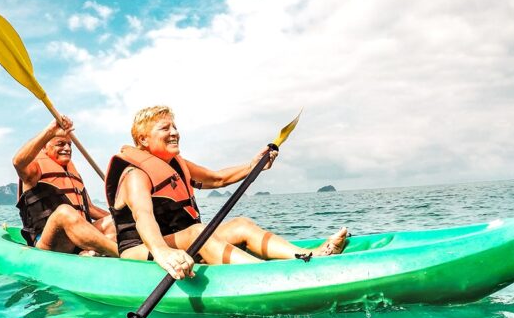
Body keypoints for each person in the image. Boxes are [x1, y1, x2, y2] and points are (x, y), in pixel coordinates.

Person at [105, 105, 348, 280]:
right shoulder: (134, 174)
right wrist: (162, 252)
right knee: (197, 233)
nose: (174, 132)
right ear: (143, 139)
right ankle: (269, 276)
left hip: (181, 240)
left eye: (175, 126)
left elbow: (218, 178)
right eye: (164, 128)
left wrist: (253, 167)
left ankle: (309, 256)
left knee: (241, 224)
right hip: (141, 250)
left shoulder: (176, 164)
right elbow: (143, 217)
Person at [14, 116, 118, 257]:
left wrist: (121, 219)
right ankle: (121, 253)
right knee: (65, 212)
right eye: (61, 144)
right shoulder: (34, 169)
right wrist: (50, 131)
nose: (67, 148)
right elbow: (17, 162)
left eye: (69, 145)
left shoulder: (72, 172)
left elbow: (91, 208)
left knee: (114, 220)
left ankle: (91, 253)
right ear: (44, 147)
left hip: (78, 238)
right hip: (49, 241)